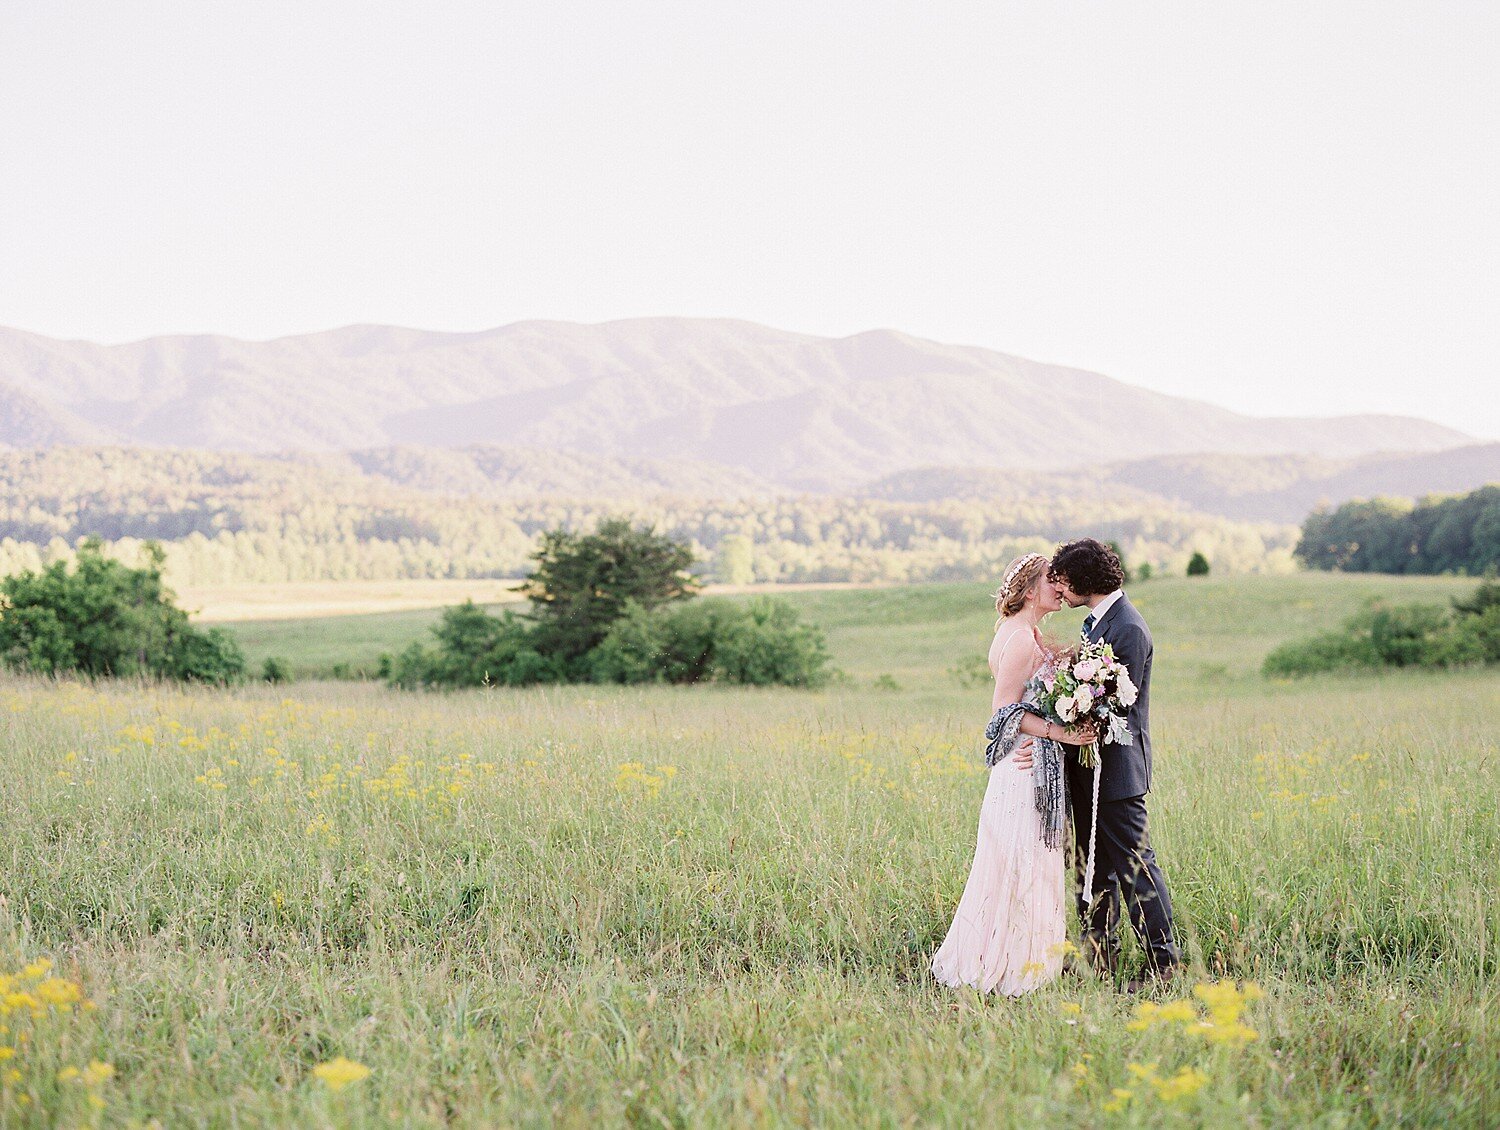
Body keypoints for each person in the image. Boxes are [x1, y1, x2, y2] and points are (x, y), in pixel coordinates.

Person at [931, 553, 1097, 995]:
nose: (1060, 588)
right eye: (1051, 581)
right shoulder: (1022, 639)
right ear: (1029, 591)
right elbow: (1003, 711)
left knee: (1030, 860)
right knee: (1023, 862)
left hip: (1031, 762)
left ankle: (1027, 958)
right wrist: (1062, 732)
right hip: (1022, 769)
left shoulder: (1028, 631)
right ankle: (1010, 966)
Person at [1048, 538, 1180, 987]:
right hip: (1090, 768)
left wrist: (1067, 709)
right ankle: (1098, 955)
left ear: (1083, 580)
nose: (1059, 590)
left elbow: (1116, 706)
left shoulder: (1128, 628)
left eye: (1063, 581)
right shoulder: (1096, 623)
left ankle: (1165, 965)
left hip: (1118, 771)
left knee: (1136, 866)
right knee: (1093, 864)